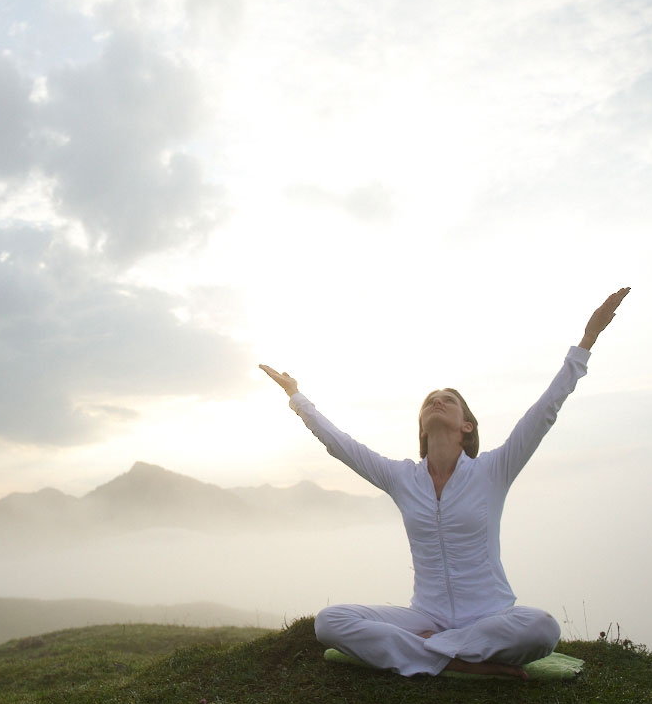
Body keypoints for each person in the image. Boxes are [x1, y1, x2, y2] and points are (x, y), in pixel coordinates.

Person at [259, 287, 630, 679]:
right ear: (421, 425)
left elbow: (545, 411)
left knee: (543, 628)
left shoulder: (493, 470)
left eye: (448, 400)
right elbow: (341, 445)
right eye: (430, 401)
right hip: (426, 618)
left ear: (466, 425)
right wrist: (295, 396)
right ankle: (466, 663)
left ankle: (429, 656)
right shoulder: (402, 478)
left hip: (489, 618)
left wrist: (586, 342)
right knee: (330, 622)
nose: (437, 401)